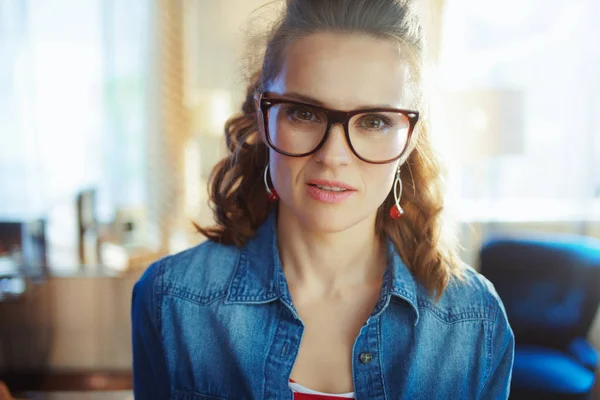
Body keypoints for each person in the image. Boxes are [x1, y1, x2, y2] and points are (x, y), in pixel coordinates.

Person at [131, 0, 514, 398]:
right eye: (304, 113)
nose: (332, 156)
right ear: (265, 117)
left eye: (374, 121)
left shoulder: (475, 322)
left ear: (408, 140)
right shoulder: (170, 299)